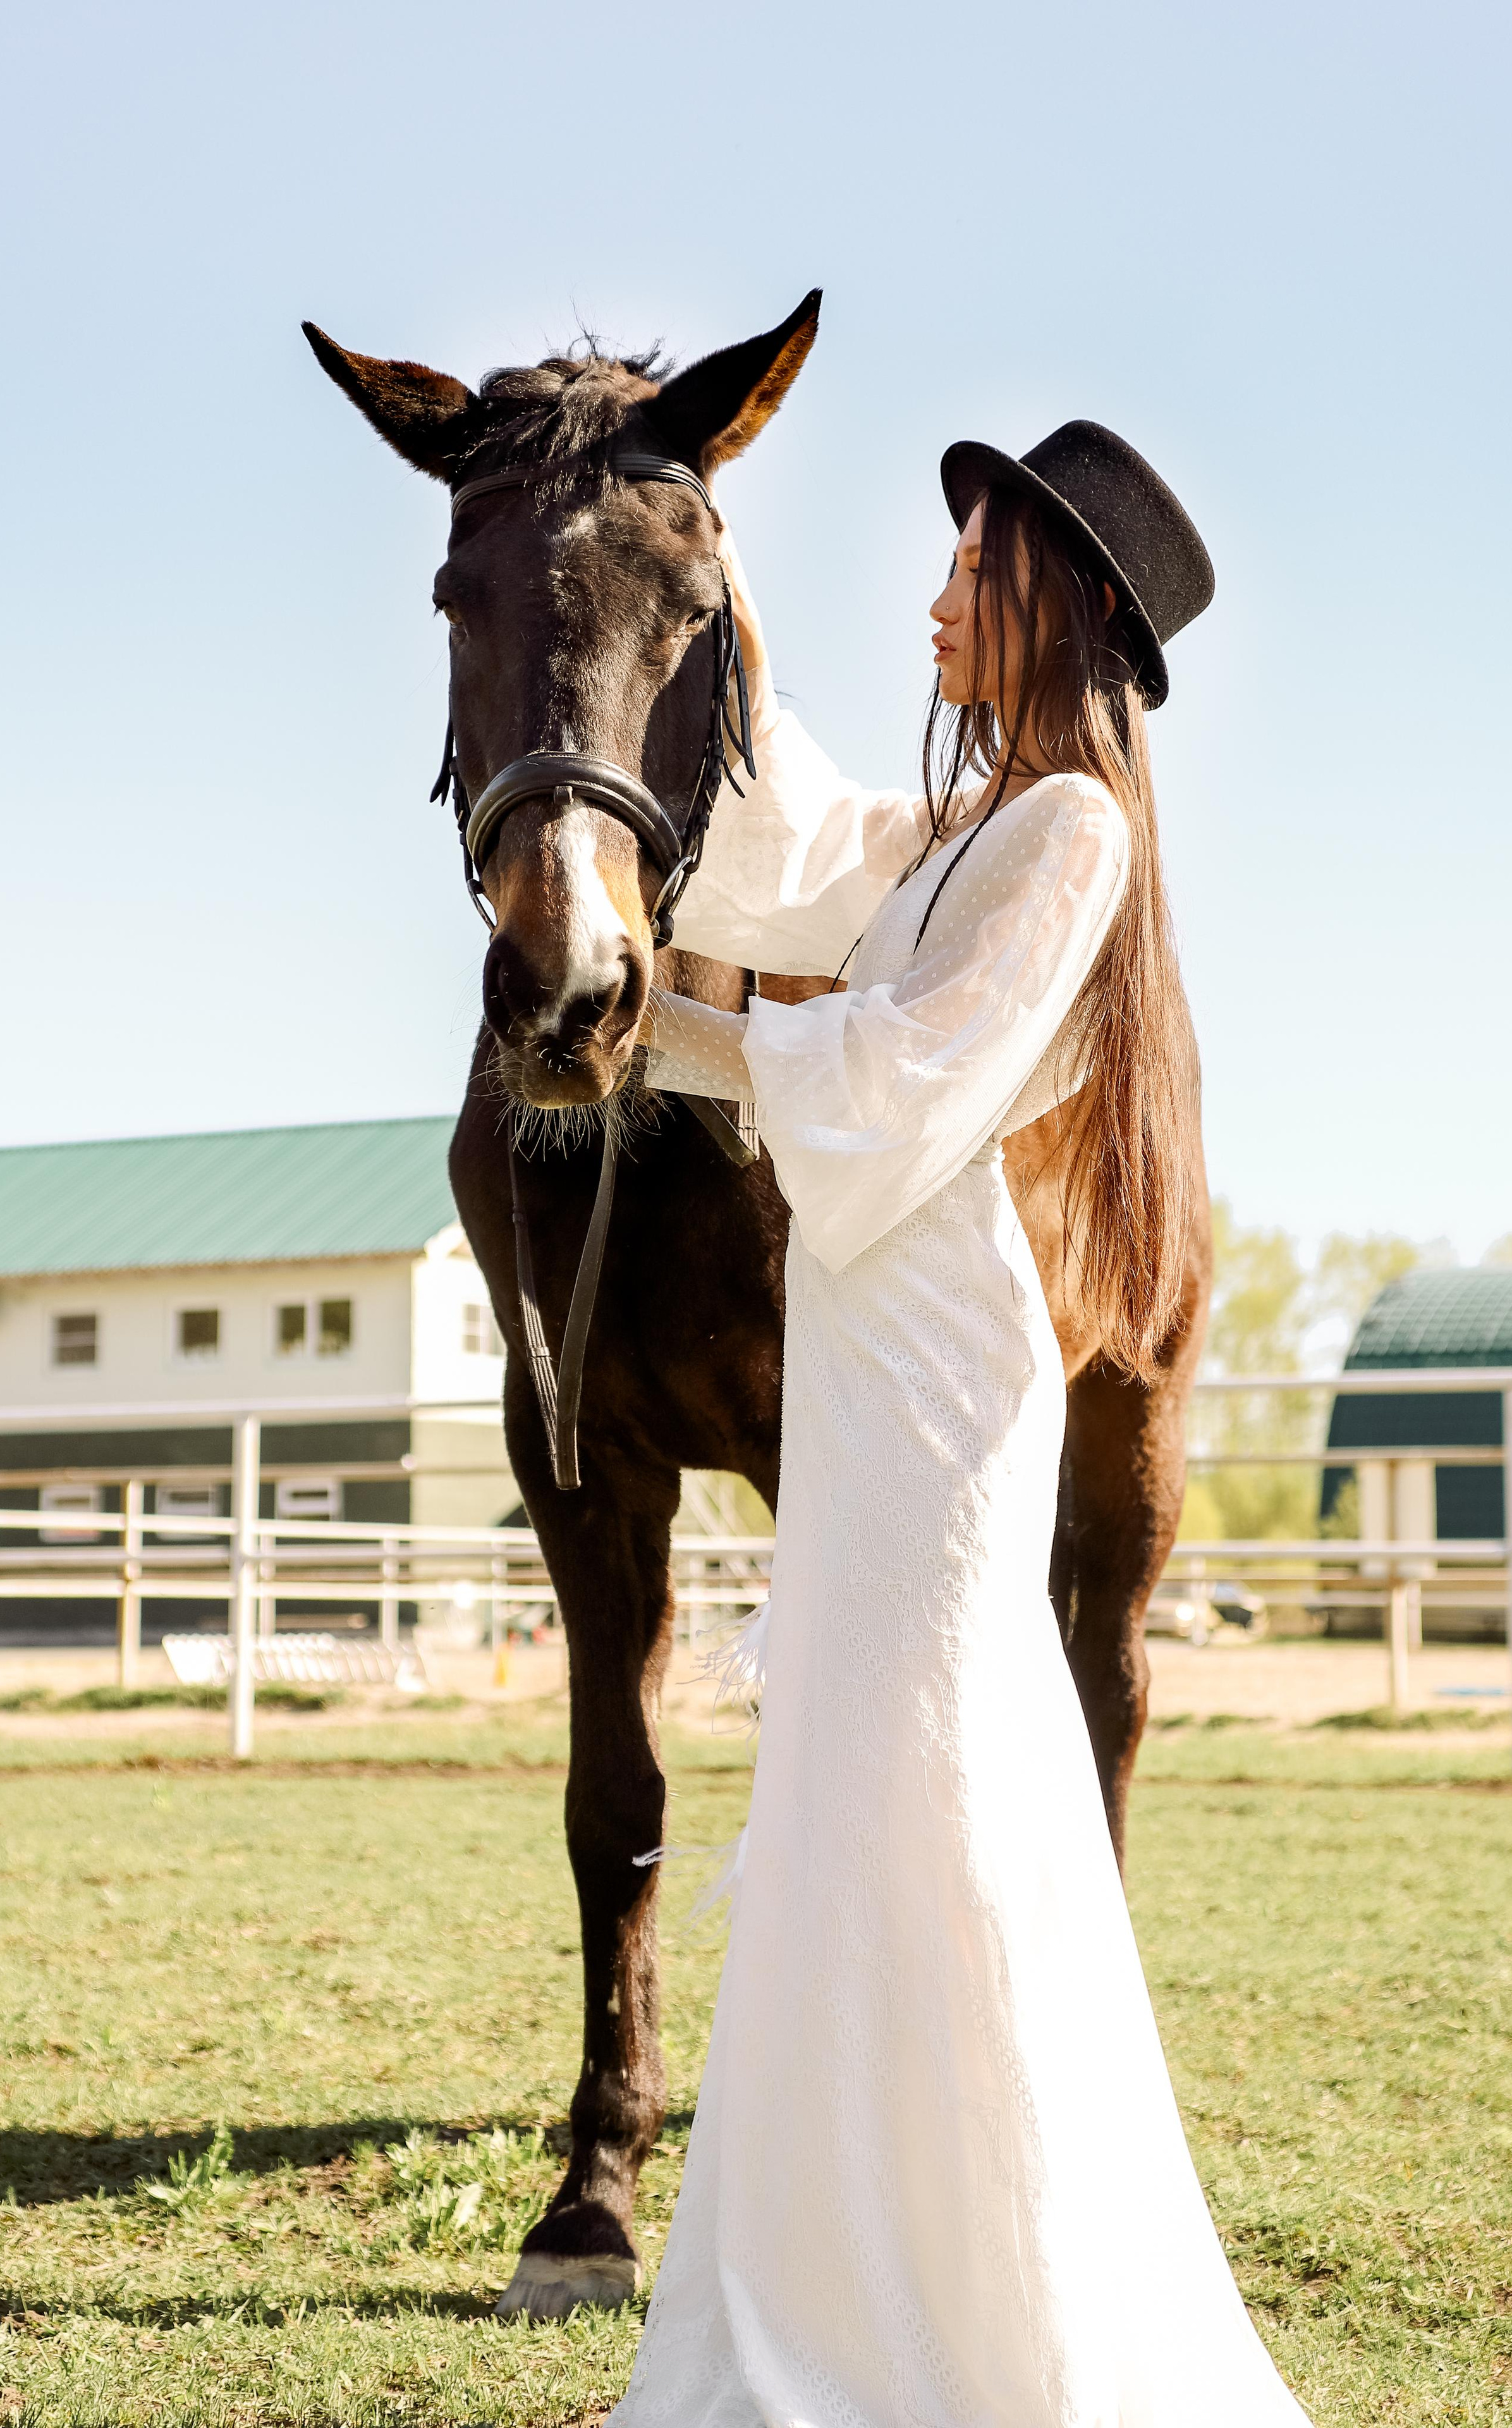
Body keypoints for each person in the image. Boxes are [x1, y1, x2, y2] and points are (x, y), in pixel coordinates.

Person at [613, 425, 1312, 2428]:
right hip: (867, 1356)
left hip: (934, 1373)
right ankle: (842, 2288)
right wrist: (709, 571)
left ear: (1057, 606)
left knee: (920, 1796)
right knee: (854, 1804)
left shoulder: (1072, 833)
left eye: (967, 566)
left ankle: (968, 2323)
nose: (929, 599)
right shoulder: (955, 831)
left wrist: (670, 1027)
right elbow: (783, 844)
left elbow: (910, 1077)